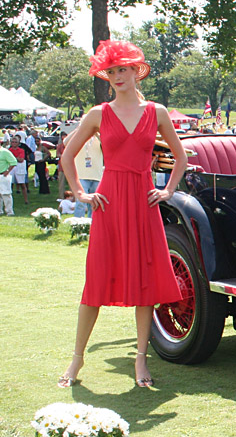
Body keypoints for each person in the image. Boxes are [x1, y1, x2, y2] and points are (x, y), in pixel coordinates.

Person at [57, 39, 188, 389]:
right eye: (111, 71)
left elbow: (180, 156)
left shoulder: (156, 112)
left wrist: (169, 190)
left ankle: (141, 360)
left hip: (144, 205)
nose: (117, 76)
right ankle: (77, 360)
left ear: (136, 72)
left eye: (123, 70)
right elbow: (67, 156)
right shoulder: (98, 114)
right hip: (110, 202)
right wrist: (82, 192)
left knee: (145, 284)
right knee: (96, 281)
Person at [0, 135, 18, 216]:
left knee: (5, 194)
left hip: (2, 176)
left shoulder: (5, 152)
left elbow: (14, 162)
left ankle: (9, 211)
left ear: (0, 143)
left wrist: (8, 170)